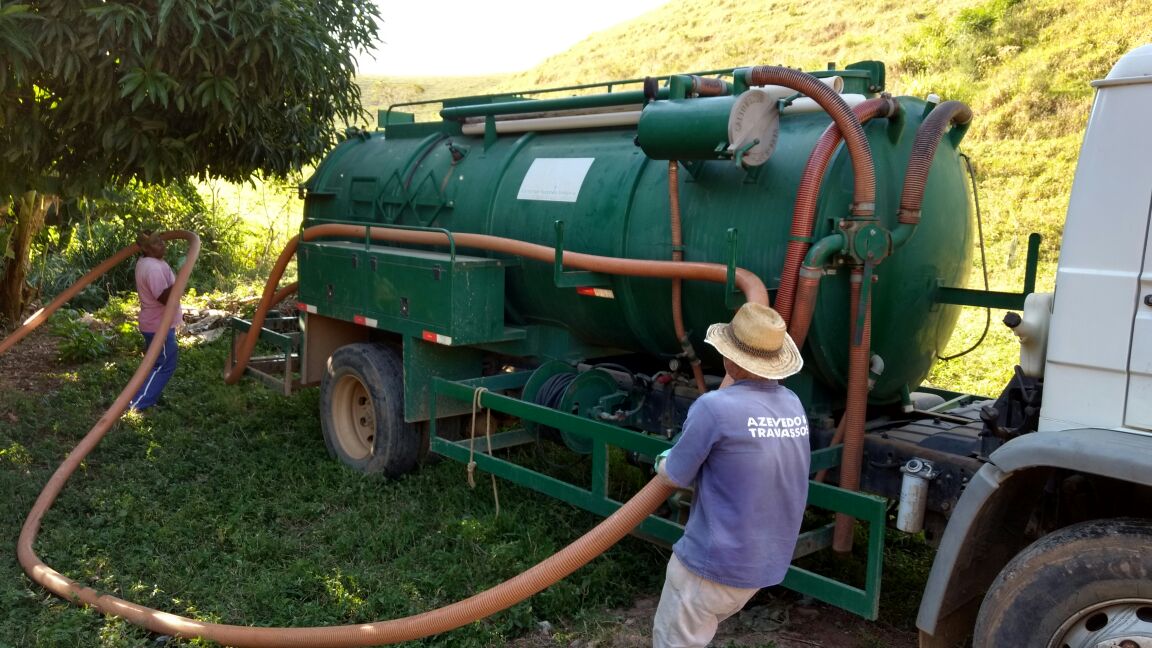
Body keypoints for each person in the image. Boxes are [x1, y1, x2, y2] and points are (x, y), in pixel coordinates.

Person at [652, 302, 811, 648]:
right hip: (761, 567)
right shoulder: (793, 404)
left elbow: (674, 474)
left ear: (730, 359)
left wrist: (662, 459)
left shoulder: (714, 407)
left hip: (710, 565)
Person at [129, 231, 180, 410]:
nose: (162, 245)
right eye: (156, 243)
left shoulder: (150, 262)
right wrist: (181, 280)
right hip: (159, 326)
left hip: (156, 324)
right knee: (165, 364)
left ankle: (145, 396)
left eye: (161, 241)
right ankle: (139, 403)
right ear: (146, 249)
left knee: (155, 362)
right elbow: (164, 298)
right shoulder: (152, 268)